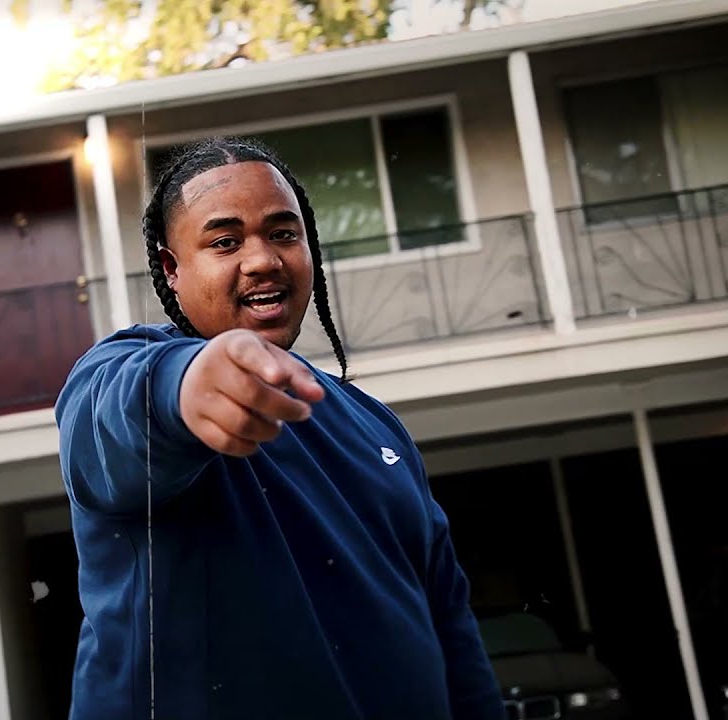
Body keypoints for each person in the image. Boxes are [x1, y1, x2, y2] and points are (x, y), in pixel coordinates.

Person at [54, 137, 504, 720]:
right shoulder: (128, 374)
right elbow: (111, 421)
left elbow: (452, 631)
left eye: (283, 234)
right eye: (225, 242)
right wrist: (183, 387)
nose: (263, 259)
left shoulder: (374, 424)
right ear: (172, 269)